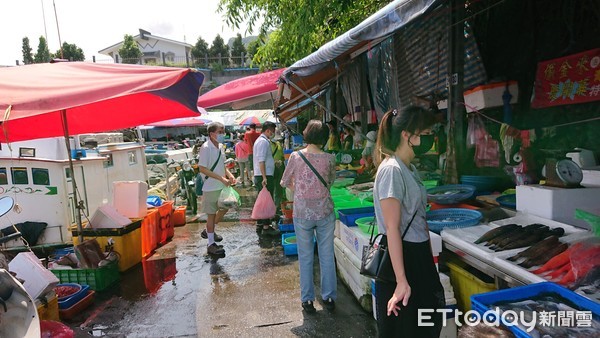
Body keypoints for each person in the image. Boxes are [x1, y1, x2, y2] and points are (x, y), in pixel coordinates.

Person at [372, 106, 444, 337]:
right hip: (403, 259)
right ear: (407, 134)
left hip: (418, 254)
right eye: (424, 133)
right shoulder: (392, 170)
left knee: (427, 323)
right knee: (407, 328)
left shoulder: (409, 168)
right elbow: (392, 228)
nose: (429, 138)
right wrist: (401, 281)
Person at [281, 120, 337, 314]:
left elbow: (285, 181)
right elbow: (330, 181)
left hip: (302, 213)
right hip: (325, 211)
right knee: (326, 255)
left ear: (306, 134)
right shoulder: (330, 158)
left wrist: (299, 191)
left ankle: (307, 301)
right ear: (324, 137)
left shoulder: (295, 157)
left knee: (305, 257)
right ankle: (329, 297)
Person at [198, 122, 236, 255]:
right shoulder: (205, 147)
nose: (222, 134)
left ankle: (209, 231)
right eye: (220, 132)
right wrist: (221, 178)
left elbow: (222, 165)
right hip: (210, 187)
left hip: (221, 185)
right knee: (211, 214)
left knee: (225, 208)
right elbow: (202, 168)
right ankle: (210, 244)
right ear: (211, 134)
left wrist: (230, 176)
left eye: (223, 132)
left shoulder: (220, 147)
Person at [253, 121, 280, 236]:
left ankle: (260, 224)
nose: (273, 134)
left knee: (263, 200)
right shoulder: (263, 142)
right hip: (264, 175)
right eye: (272, 132)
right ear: (268, 130)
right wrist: (264, 177)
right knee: (266, 201)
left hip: (263, 174)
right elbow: (261, 161)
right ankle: (266, 226)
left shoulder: (261, 141)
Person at [271, 132, 286, 212]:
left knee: (273, 187)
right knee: (278, 187)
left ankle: (274, 206)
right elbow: (283, 157)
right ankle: (277, 206)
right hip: (279, 167)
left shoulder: (267, 144)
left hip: (271, 167)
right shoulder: (279, 145)